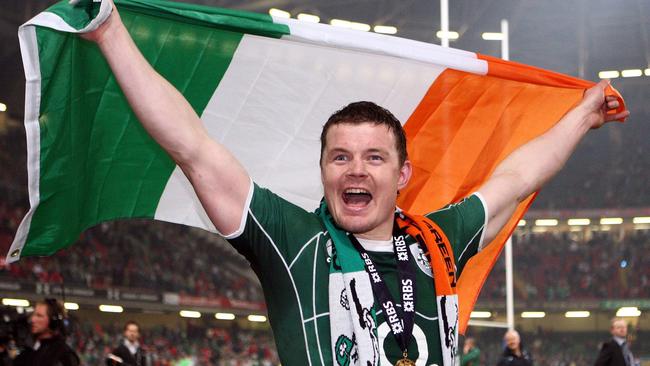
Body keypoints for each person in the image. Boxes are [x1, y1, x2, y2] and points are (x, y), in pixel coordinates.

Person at [79, 1, 628, 365]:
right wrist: (110, 32)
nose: (356, 170)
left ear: (402, 174)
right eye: (339, 157)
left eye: (374, 157)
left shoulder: (439, 239)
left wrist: (582, 115)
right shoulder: (293, 240)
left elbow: (517, 175)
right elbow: (192, 147)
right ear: (323, 172)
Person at [12, 299, 79, 366]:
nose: (32, 319)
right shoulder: (29, 351)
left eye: (39, 316)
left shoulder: (63, 355)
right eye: (33, 315)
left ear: (53, 322)